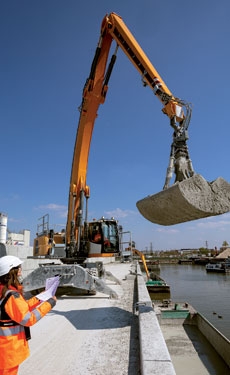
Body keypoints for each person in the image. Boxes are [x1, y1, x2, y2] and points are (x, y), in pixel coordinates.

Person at [0, 255, 57, 374]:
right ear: (12, 272)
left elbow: (21, 307)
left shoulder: (4, 291)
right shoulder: (11, 296)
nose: (21, 269)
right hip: (8, 350)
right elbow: (28, 319)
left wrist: (40, 298)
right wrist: (50, 303)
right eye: (19, 267)